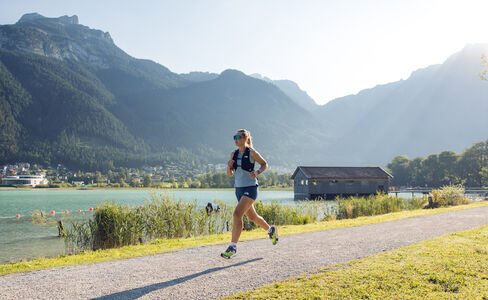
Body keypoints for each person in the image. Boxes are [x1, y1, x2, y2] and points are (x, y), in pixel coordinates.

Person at [221, 129, 278, 259]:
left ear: (245, 139)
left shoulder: (252, 153)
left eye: (239, 137)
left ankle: (232, 247)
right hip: (238, 189)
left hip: (251, 187)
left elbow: (265, 164)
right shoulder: (233, 154)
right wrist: (229, 166)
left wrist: (257, 172)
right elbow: (230, 175)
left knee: (237, 214)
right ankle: (271, 230)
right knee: (253, 217)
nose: (236, 139)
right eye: (234, 137)